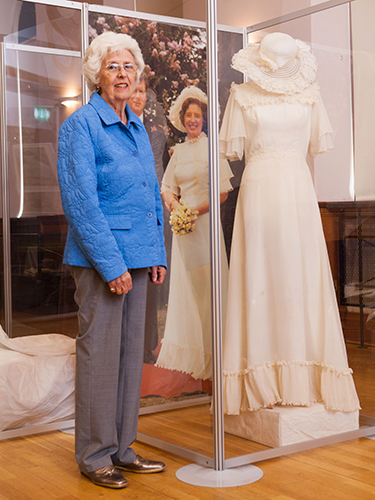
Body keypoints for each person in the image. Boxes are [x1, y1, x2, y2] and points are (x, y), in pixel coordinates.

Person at [219, 32, 360, 415]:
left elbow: (317, 143)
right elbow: (233, 148)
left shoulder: (308, 94)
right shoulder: (242, 96)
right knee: (261, 279)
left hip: (297, 191)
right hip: (260, 193)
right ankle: (261, 379)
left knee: (300, 279)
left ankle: (307, 375)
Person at [57, 31, 167, 489]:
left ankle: (123, 448)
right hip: (103, 261)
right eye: (112, 67)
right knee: (100, 356)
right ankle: (95, 454)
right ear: (96, 75)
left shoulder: (138, 126)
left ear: (137, 74)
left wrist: (156, 252)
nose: (122, 74)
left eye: (128, 66)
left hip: (140, 258)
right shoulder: (79, 126)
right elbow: (82, 204)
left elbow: (149, 196)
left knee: (128, 357)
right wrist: (113, 266)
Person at [155, 86, 233, 380]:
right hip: (183, 230)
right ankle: (200, 355)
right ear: (182, 118)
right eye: (188, 115)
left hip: (204, 226)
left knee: (206, 292)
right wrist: (175, 205)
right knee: (191, 290)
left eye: (197, 115)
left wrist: (194, 212)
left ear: (203, 118)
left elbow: (223, 193)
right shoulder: (179, 151)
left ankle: (217, 357)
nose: (193, 120)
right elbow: (165, 186)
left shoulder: (213, 149)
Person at [129, 74, 171, 364]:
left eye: (142, 91)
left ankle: (147, 347)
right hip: (126, 216)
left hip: (152, 216)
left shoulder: (157, 134)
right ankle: (128, 346)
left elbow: (159, 174)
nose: (138, 96)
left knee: (152, 284)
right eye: (134, 91)